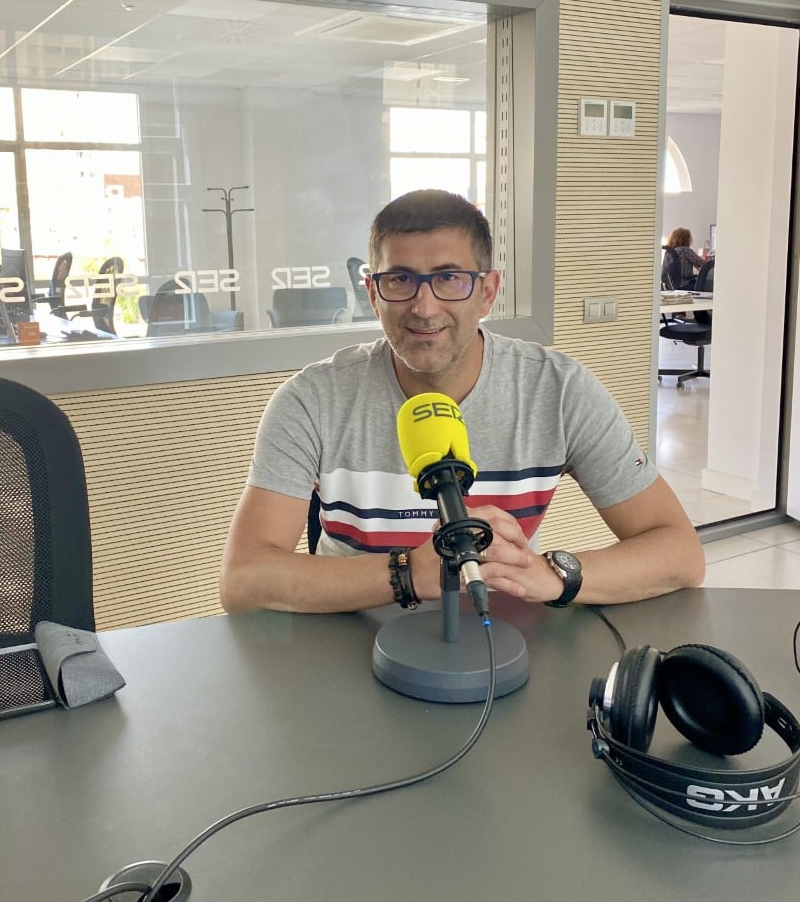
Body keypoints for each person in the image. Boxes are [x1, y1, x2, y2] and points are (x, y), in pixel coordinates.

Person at [221, 189, 704, 615]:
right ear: (373, 293)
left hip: (496, 636)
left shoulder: (558, 391)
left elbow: (680, 552)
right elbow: (244, 581)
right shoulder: (313, 400)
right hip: (347, 641)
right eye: (400, 279)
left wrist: (552, 574)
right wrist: (408, 572)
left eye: (450, 278)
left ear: (488, 292)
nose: (424, 307)